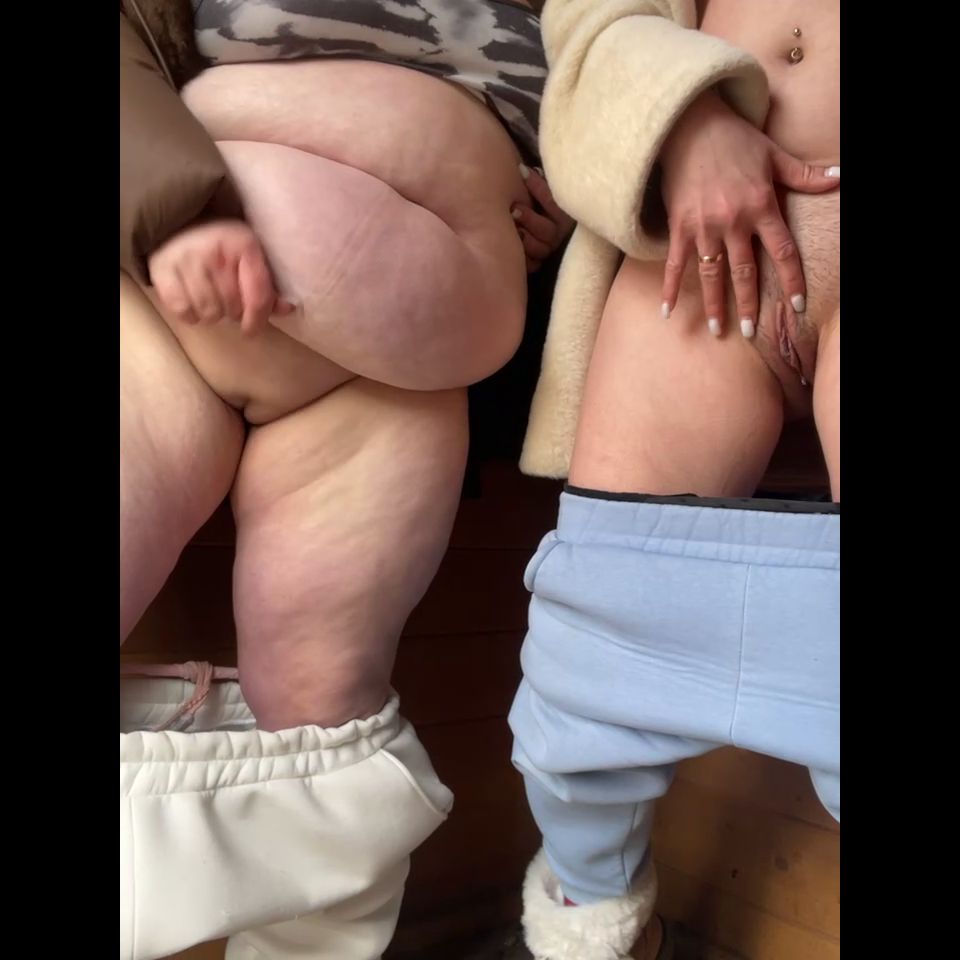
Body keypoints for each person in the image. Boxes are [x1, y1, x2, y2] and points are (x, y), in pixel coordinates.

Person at [119, 1, 571, 957]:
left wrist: (572, 208)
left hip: (392, 386)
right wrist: (170, 207)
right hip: (170, 301)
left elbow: (622, 107)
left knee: (324, 730)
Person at [507, 0, 839, 956]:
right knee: (597, 619)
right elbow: (594, 14)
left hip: (716, 263)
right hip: (695, 259)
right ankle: (590, 917)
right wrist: (684, 119)